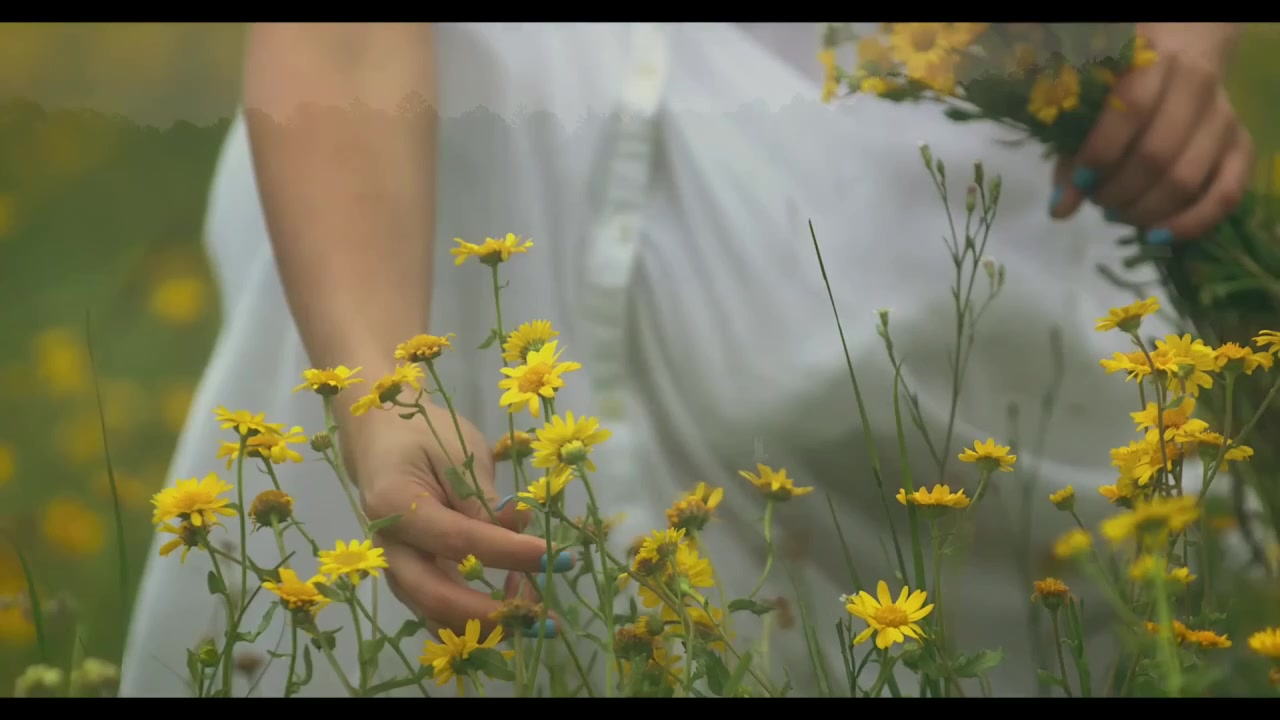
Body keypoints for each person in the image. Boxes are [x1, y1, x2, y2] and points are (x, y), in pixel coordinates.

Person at [119, 22, 1249, 697]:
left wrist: (1177, 54)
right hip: (442, 167)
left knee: (1023, 598)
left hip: (931, 130)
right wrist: (380, 388)